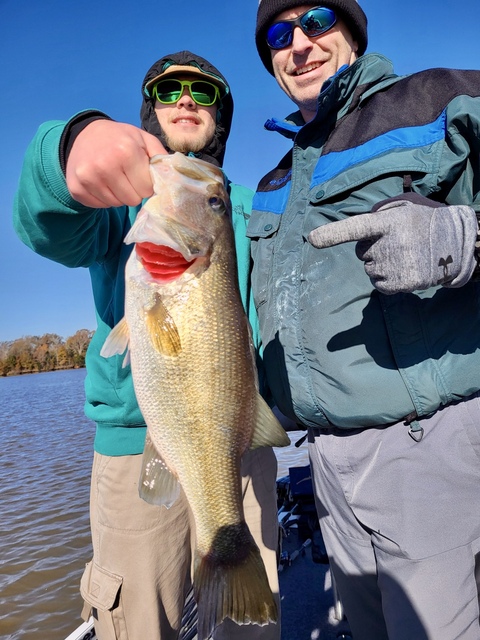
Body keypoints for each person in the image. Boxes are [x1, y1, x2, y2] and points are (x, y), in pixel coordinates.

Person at [13, 51, 281, 640]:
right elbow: (42, 222)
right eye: (171, 91)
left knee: (251, 626)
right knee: (138, 623)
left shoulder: (250, 214)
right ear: (149, 112)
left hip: (240, 447)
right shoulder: (119, 212)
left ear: (222, 118)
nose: (186, 100)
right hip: (137, 446)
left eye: (203, 93)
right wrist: (70, 147)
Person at [250, 2, 480, 639]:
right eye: (278, 34)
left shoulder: (439, 98)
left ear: (352, 30)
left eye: (317, 20)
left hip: (426, 450)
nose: (299, 43)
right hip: (325, 465)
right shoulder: (272, 182)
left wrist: (465, 237)